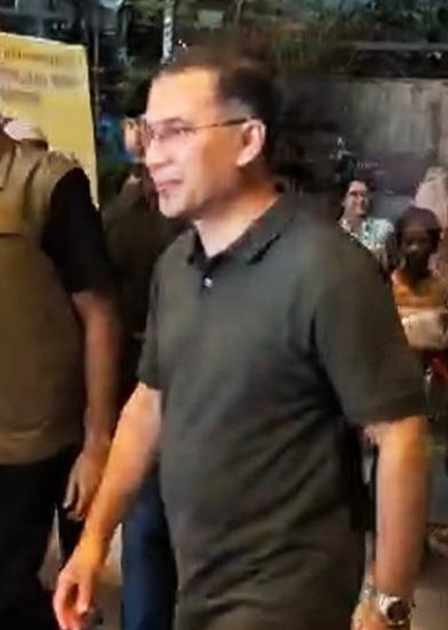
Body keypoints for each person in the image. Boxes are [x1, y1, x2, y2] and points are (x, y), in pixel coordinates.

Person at [53, 48, 429, 630]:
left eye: (177, 133)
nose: (154, 155)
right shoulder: (176, 265)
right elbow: (149, 405)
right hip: (195, 584)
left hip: (286, 600)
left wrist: (389, 602)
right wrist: (93, 542)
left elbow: (400, 436)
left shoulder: (327, 269)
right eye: (148, 134)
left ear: (249, 140)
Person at [0, 121, 120, 630]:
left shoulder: (48, 185)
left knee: (8, 590)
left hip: (33, 439)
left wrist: (98, 443)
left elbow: (101, 315)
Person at [101, 83, 185, 630]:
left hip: (151, 380)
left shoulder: (123, 216)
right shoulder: (134, 219)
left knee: (149, 532)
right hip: (150, 382)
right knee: (151, 530)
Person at [340, 175, 396, 271]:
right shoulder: (334, 231)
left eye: (364, 195)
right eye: (354, 195)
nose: (361, 199)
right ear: (343, 200)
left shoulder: (384, 228)